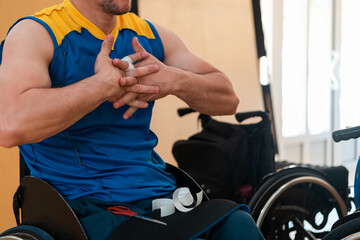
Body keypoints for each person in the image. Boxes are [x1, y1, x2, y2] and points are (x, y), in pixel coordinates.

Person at [0, 0, 264, 239]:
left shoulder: (151, 35)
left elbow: (228, 100)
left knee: (239, 224)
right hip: (84, 208)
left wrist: (175, 80)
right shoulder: (36, 33)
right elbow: (10, 126)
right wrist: (100, 87)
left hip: (160, 195)